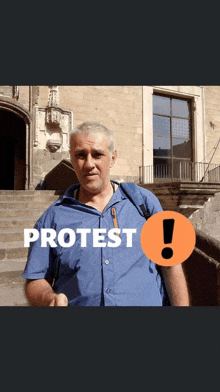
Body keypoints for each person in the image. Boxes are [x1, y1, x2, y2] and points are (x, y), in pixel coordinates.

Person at [22, 121, 189, 306]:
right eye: (80, 155)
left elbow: (171, 265)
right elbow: (35, 280)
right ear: (71, 159)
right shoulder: (52, 218)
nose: (89, 164)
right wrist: (49, 298)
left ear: (113, 158)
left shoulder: (144, 202)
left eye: (97, 154)